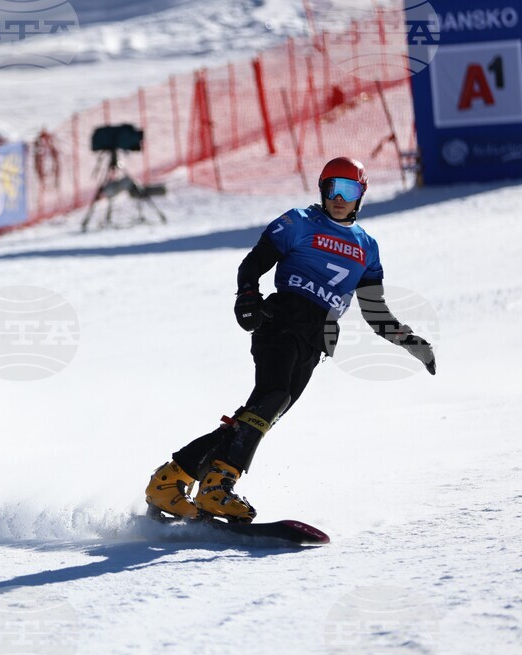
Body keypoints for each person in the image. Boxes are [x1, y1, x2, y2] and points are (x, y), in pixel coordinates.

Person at [146, 157, 436, 523]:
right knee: (273, 397)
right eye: (332, 188)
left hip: (317, 340)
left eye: (348, 190)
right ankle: (217, 486)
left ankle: (172, 479)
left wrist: (410, 342)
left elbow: (375, 312)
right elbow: (253, 263)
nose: (339, 198)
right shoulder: (299, 221)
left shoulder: (368, 247)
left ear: (361, 195)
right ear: (322, 189)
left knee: (261, 415)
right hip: (282, 320)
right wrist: (247, 296)